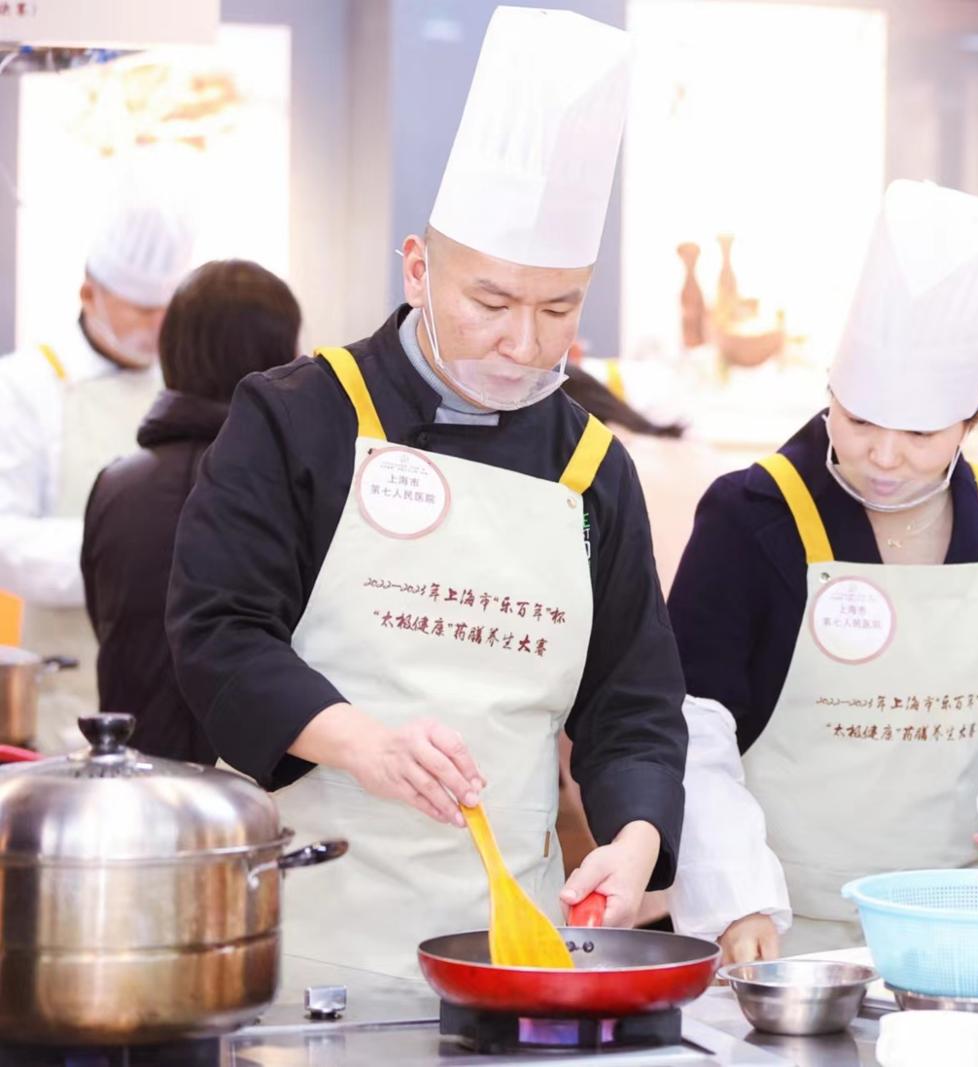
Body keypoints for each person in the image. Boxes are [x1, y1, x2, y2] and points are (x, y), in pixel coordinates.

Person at [165, 7, 687, 978]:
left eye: (558, 308)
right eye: (490, 301)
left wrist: (635, 840)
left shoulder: (590, 466)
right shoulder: (301, 415)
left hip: (511, 948)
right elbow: (218, 632)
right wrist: (360, 741)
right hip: (314, 936)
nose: (524, 343)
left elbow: (634, 701)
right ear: (418, 268)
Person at [666, 180, 978, 961]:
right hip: (785, 929)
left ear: (972, 421)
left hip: (962, 923)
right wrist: (736, 899)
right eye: (861, 419)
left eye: (923, 433)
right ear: (831, 392)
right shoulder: (752, 514)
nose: (886, 457)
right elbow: (694, 726)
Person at [81, 260, 301, 764]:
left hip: (130, 778)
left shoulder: (115, 485)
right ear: (278, 361)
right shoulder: (285, 490)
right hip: (246, 789)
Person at [0, 190, 193, 745]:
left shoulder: (186, 381)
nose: (160, 326)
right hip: (65, 700)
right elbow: (7, 538)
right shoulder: (27, 384)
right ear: (90, 292)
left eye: (170, 309)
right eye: (143, 310)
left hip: (172, 693)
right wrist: (125, 555)